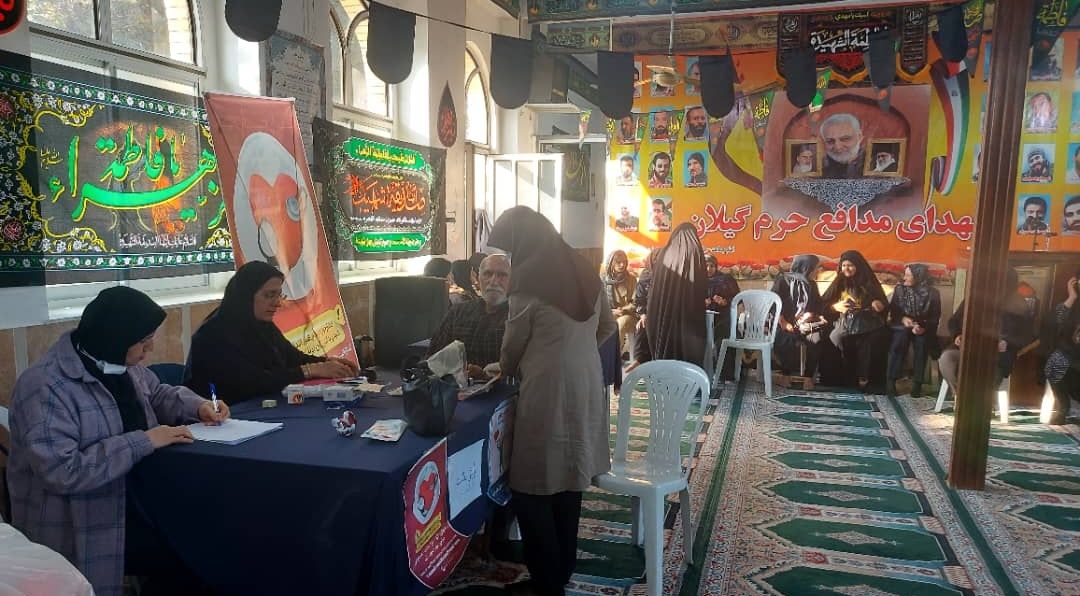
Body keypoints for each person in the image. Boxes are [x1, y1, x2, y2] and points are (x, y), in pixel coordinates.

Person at [7, 286, 230, 596]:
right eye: (143, 340)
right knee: (185, 556)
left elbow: (157, 394)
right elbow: (63, 471)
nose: (150, 348)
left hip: (137, 499)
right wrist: (144, 441)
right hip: (83, 520)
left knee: (208, 541)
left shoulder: (120, 365)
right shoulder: (46, 387)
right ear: (114, 335)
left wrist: (198, 406)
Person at [488, 206, 615, 596]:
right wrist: (577, 351)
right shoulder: (585, 270)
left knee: (531, 485)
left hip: (547, 389)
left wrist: (514, 366)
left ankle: (546, 581)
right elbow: (608, 325)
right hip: (587, 382)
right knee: (569, 479)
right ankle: (561, 571)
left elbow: (511, 350)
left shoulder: (528, 283)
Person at [186, 261, 357, 403]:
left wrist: (329, 363)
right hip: (220, 418)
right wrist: (310, 370)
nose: (277, 303)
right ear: (246, 296)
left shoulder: (261, 325)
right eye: (269, 295)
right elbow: (253, 382)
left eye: (279, 295)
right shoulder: (212, 335)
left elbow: (292, 358)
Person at [938, 269, 1036, 394]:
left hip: (997, 357)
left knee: (986, 380)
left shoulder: (1019, 304)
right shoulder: (975, 298)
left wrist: (1007, 343)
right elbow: (953, 321)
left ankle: (976, 398)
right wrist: (957, 335)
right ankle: (961, 395)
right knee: (947, 359)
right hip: (968, 350)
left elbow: (1027, 336)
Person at [428, 253, 511, 380]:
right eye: (488, 274)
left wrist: (484, 376)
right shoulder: (458, 313)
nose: (494, 281)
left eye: (502, 275)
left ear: (513, 281)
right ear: (478, 278)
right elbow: (433, 359)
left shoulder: (519, 318)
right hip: (453, 387)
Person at [820, 250, 889, 391]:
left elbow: (883, 306)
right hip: (843, 322)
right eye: (844, 265)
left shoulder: (869, 282)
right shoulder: (839, 282)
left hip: (868, 323)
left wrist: (878, 305)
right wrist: (836, 307)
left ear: (858, 266)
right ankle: (842, 381)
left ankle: (869, 381)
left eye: (850, 265)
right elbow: (823, 306)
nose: (846, 269)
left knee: (876, 339)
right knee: (832, 338)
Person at [647, 223, 708, 366]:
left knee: (665, 354)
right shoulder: (694, 250)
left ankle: (664, 377)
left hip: (661, 315)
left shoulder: (664, 253)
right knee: (688, 358)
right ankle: (687, 379)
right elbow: (702, 284)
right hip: (688, 317)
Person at [886, 264, 941, 397]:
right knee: (900, 339)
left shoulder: (933, 293)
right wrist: (904, 319)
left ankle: (917, 382)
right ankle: (891, 380)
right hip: (902, 325)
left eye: (908, 275)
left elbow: (935, 317)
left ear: (918, 276)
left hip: (923, 327)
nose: (904, 278)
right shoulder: (900, 289)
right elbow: (894, 312)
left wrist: (922, 327)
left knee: (922, 343)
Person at [771, 255, 827, 378]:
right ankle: (786, 374)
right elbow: (773, 303)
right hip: (783, 322)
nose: (818, 271)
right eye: (816, 268)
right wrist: (783, 322)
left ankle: (808, 376)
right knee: (787, 339)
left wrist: (811, 314)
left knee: (816, 338)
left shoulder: (812, 284)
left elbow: (818, 305)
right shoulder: (783, 281)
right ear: (806, 268)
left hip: (804, 324)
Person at [1043, 274, 1080, 423]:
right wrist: (1072, 297)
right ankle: (1063, 408)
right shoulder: (1073, 304)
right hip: (1070, 351)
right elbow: (1055, 321)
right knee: (1055, 363)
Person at [705, 254, 741, 379]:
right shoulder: (696, 281)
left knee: (722, 340)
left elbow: (738, 299)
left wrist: (724, 302)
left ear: (716, 267)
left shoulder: (726, 279)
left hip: (723, 320)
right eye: (706, 266)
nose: (709, 269)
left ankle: (724, 375)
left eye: (712, 266)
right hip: (703, 320)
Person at [603, 250, 638, 359]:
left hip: (629, 315)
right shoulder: (603, 280)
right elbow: (600, 303)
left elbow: (635, 303)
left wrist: (623, 310)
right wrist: (610, 311)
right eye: (618, 262)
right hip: (610, 313)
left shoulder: (632, 279)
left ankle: (613, 358)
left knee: (620, 323)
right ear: (611, 263)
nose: (622, 265)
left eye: (624, 262)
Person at [819, 113, 866, 179]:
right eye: (830, 141)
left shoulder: (873, 165)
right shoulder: (819, 170)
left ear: (859, 137)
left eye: (845, 139)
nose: (838, 147)